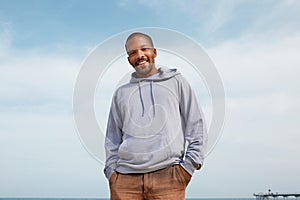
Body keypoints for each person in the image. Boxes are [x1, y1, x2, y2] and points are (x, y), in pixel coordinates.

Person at [104, 32, 207, 200]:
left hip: (169, 177)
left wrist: (187, 168)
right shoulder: (121, 94)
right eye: (133, 53)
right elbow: (112, 138)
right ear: (129, 59)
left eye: (144, 49)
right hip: (125, 181)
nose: (139, 55)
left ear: (154, 52)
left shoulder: (176, 81)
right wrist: (112, 173)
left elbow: (196, 125)